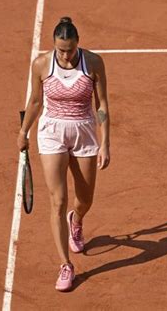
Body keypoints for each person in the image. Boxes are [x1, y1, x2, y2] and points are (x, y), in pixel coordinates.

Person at [17, 16, 110, 291]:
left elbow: (102, 104)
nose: (65, 55)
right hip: (52, 134)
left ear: (77, 44)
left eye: (69, 49)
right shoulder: (42, 65)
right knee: (58, 201)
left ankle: (76, 220)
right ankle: (65, 265)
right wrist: (24, 132)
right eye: (60, 50)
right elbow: (35, 101)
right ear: (54, 46)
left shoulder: (93, 62)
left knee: (85, 199)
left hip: (84, 132)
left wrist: (106, 143)